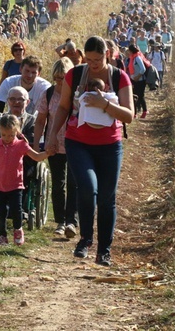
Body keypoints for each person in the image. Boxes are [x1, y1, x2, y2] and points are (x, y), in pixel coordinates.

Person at [47, 36, 134, 267]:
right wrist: (53, 135)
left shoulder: (119, 77)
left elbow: (129, 115)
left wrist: (104, 104)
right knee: (87, 188)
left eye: (98, 59)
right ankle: (85, 240)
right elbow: (64, 106)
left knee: (107, 198)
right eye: (89, 59)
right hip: (78, 142)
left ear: (107, 54)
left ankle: (104, 250)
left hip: (110, 145)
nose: (93, 64)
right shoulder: (74, 75)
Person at [0, 113, 50, 246]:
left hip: (16, 185)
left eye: (11, 135)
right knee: (1, 213)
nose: (7, 138)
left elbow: (36, 156)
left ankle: (18, 230)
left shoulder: (21, 145)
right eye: (4, 135)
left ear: (17, 132)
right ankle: (2, 236)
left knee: (16, 210)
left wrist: (47, 153)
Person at [34, 58, 78, 238]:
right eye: (57, 78)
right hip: (55, 145)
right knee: (58, 184)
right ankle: (60, 220)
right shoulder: (49, 94)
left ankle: (72, 221)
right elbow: (40, 121)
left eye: (63, 78)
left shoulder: (76, 94)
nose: (59, 82)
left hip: (75, 144)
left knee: (73, 183)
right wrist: (37, 145)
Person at [0, 56, 51, 124]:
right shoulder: (9, 82)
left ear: (39, 74)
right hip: (10, 122)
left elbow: (49, 112)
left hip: (33, 124)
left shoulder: (45, 88)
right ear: (20, 69)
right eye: (27, 71)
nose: (29, 75)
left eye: (33, 72)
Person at [127, 44, 149, 118]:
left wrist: (137, 76)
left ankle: (145, 111)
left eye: (129, 51)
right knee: (133, 96)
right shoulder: (132, 58)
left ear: (131, 51)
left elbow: (143, 69)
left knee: (140, 96)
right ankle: (134, 113)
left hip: (140, 80)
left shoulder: (137, 58)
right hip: (134, 80)